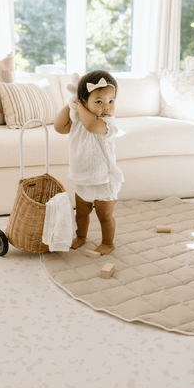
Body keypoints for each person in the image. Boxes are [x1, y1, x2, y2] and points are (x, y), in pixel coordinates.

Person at [54, 70, 124, 255]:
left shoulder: (108, 123)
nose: (106, 106)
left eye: (111, 101)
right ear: (85, 101)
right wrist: (72, 103)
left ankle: (108, 242)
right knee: (82, 214)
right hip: (82, 176)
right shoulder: (78, 119)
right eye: (99, 101)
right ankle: (81, 236)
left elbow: (92, 126)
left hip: (104, 179)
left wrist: (81, 106)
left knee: (104, 216)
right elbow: (59, 127)